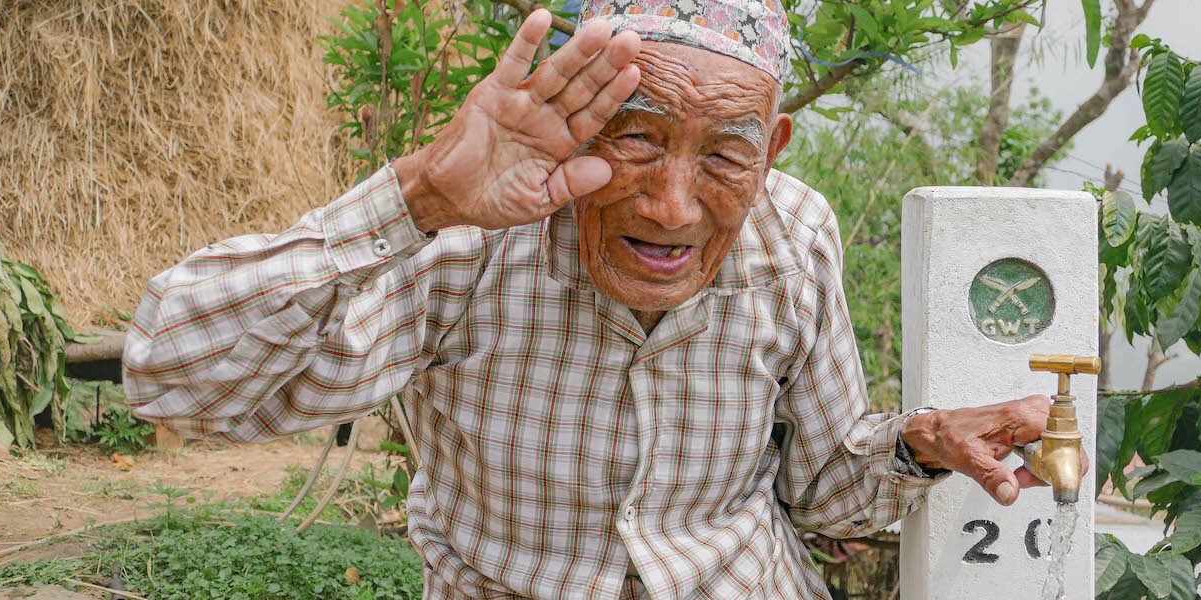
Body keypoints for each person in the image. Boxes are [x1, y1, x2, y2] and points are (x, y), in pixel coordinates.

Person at [123, 1, 1084, 598]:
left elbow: (827, 490)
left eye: (724, 154)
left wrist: (922, 443)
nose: (672, 207)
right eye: (633, 139)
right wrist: (416, 197)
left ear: (774, 149)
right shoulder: (468, 241)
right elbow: (174, 379)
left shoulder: (794, 235)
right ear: (570, 123)